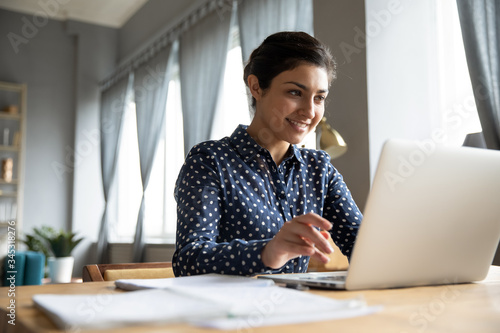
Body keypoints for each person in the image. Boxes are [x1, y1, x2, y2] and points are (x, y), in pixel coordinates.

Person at [172, 31, 362, 276]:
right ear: (256, 87)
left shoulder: (319, 169)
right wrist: (268, 252)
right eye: (295, 92)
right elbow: (189, 260)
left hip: (298, 309)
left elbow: (363, 246)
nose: (309, 111)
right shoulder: (210, 161)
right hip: (229, 310)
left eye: (319, 98)